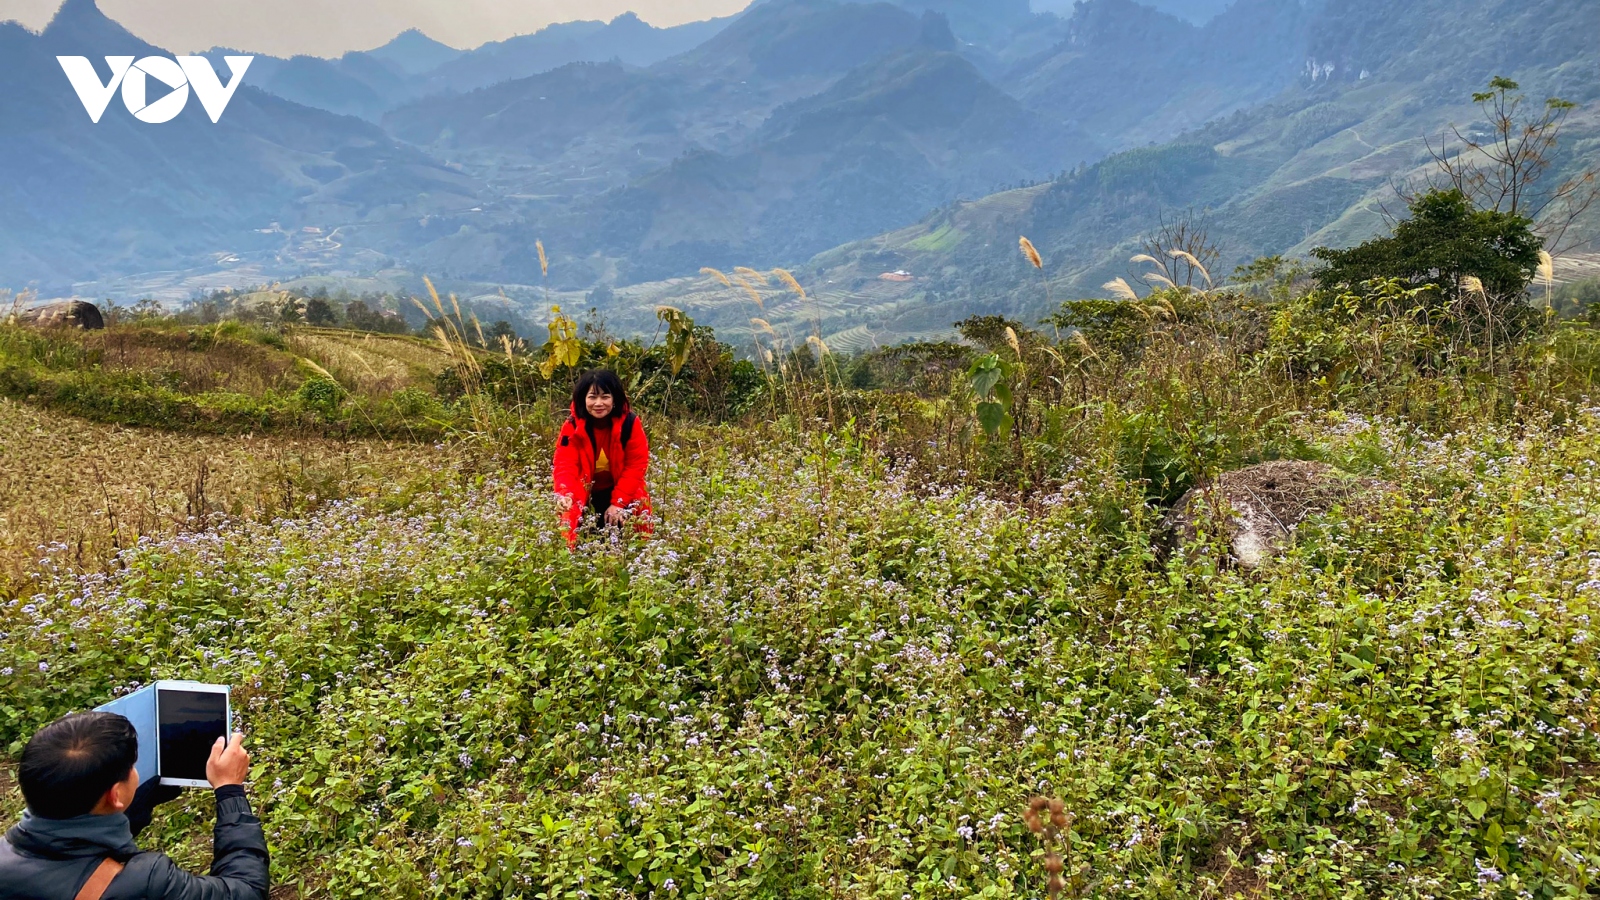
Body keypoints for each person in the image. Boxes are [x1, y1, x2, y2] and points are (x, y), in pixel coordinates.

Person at [0, 711, 267, 900]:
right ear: (115, 795)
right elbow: (246, 890)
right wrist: (230, 790)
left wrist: (148, 795)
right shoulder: (145, 882)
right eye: (132, 767)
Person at [553, 369, 653, 547]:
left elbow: (636, 465)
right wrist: (565, 493)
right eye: (592, 397)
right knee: (572, 529)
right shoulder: (572, 425)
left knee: (632, 534)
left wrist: (618, 503)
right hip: (585, 492)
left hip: (623, 489)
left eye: (605, 396)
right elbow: (565, 464)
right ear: (583, 399)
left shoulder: (630, 423)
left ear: (614, 399)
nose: (598, 403)